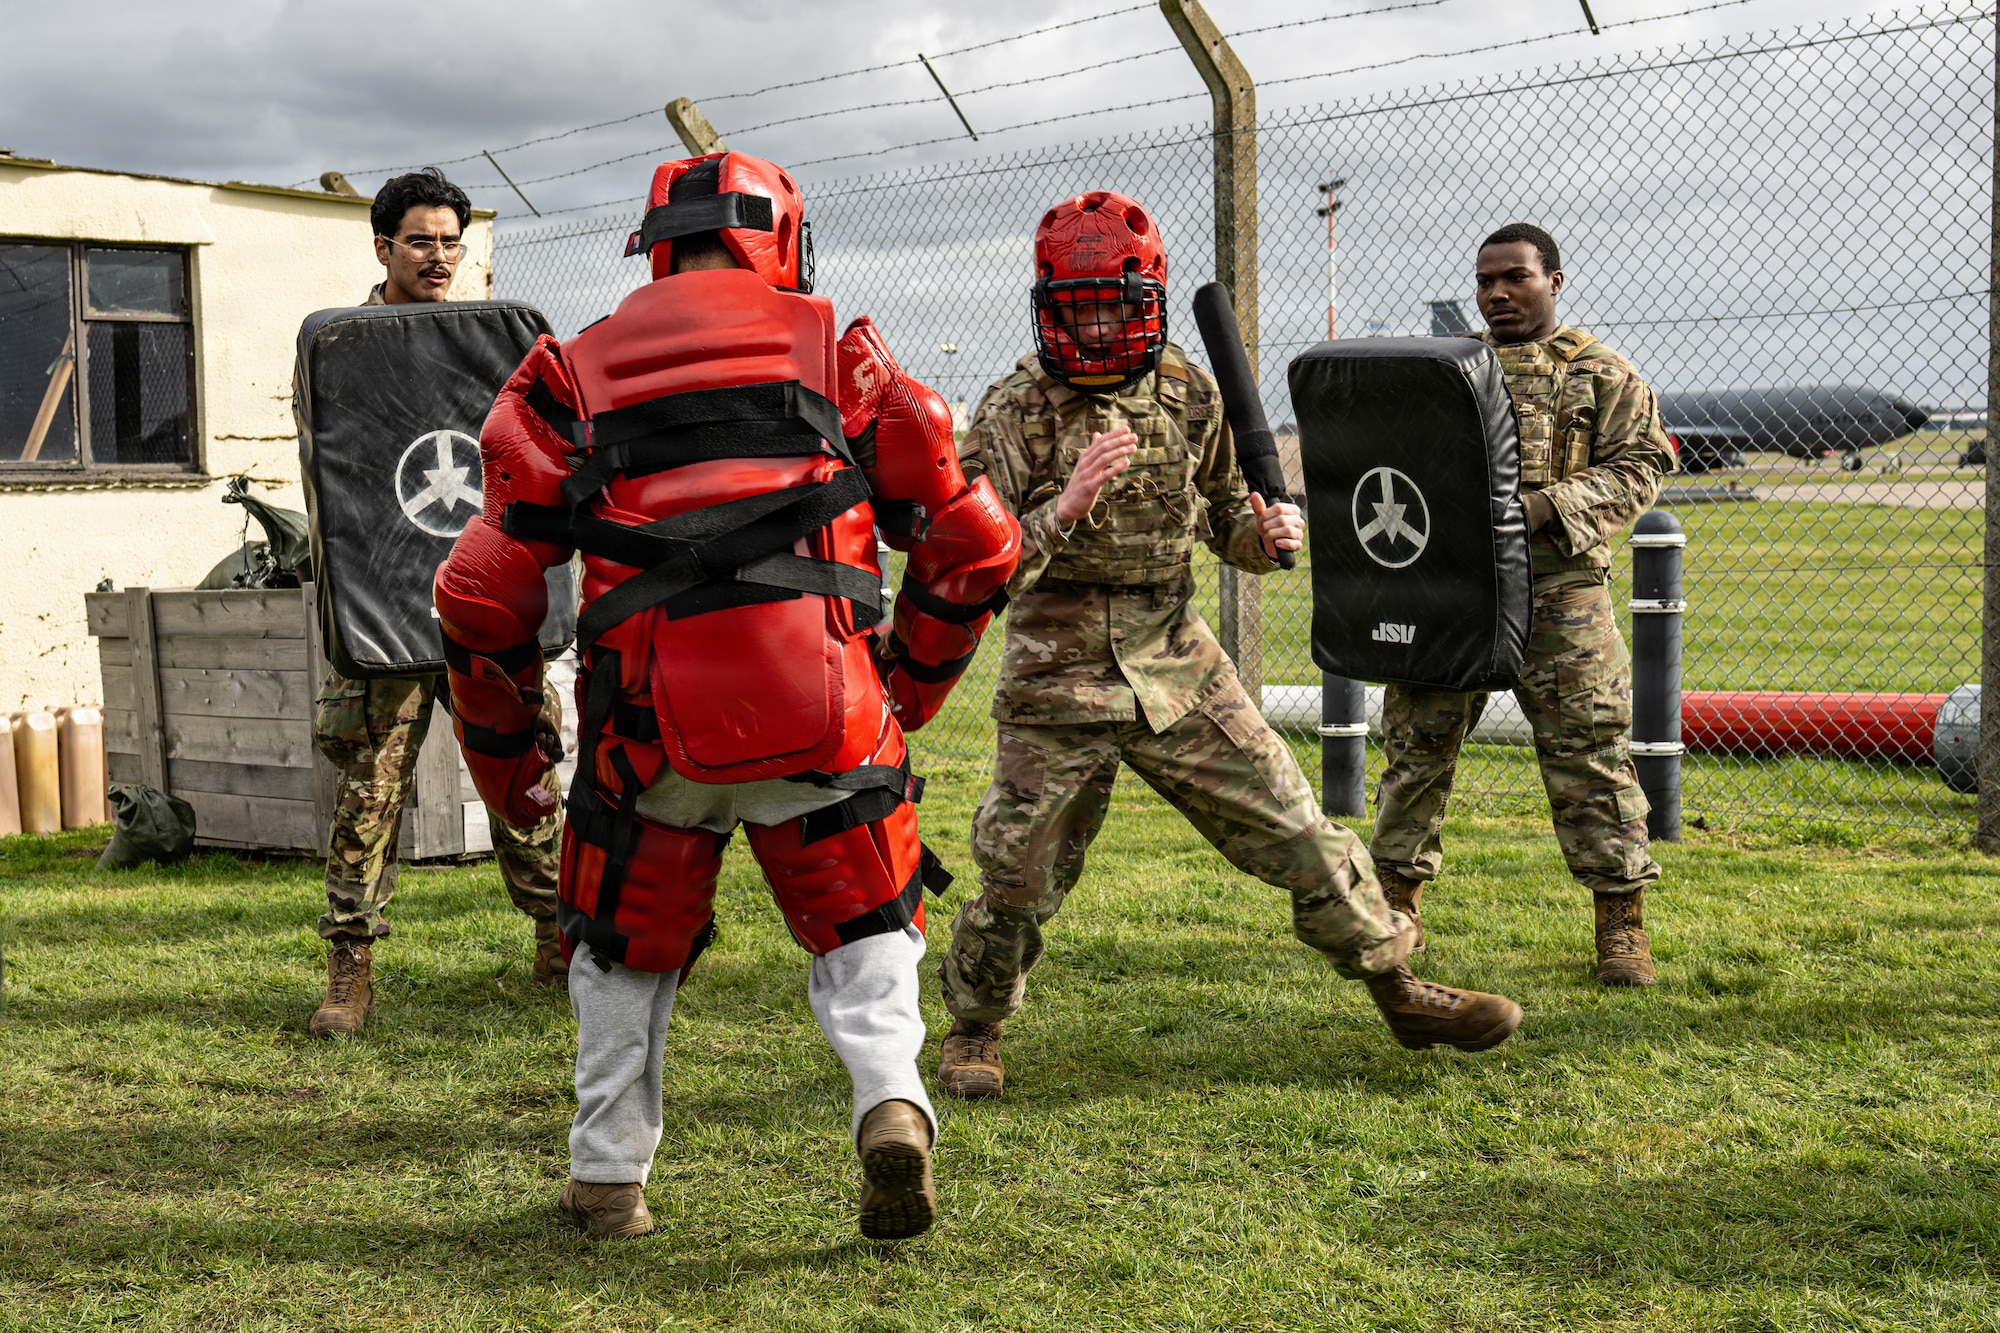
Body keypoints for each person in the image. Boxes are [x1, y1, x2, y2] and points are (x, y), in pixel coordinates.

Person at [436, 150, 1020, 1241]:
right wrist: (904, 686)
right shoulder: (843, 353)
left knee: (622, 952)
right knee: (865, 933)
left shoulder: (565, 374)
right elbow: (974, 542)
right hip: (824, 715)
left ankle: (608, 1179)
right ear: (783, 237)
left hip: (646, 737)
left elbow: (480, 593)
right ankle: (890, 1101)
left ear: (655, 244)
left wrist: (510, 764)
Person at [934, 190, 1524, 1102]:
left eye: (1110, 308)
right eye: (1074, 309)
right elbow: (977, 570)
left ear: (1147, 302)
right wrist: (1066, 506)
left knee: (1298, 823)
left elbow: (1221, 521)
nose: (1093, 330)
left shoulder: (1189, 390)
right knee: (1017, 871)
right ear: (1049, 307)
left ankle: (1398, 985)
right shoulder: (1013, 408)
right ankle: (975, 1027)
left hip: (1176, 656)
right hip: (1057, 670)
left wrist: (1264, 535)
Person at [1370, 222, 1677, 986]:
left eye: (1515, 277)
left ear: (1554, 281)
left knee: (1591, 753)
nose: (1497, 292)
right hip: (1453, 592)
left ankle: (1620, 922)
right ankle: (1393, 909)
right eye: (1485, 280)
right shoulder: (1448, 369)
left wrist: (1543, 508)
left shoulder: (1600, 372)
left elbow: (1641, 466)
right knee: (1416, 748)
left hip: (1558, 589)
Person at [307, 168, 566, 1040]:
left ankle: (556, 935)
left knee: (520, 768)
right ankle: (351, 961)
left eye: (454, 241)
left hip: (483, 602)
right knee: (369, 790)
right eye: (422, 240)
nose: (441, 257)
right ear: (383, 247)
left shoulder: (496, 349)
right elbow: (345, 481)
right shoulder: (348, 350)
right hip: (389, 602)